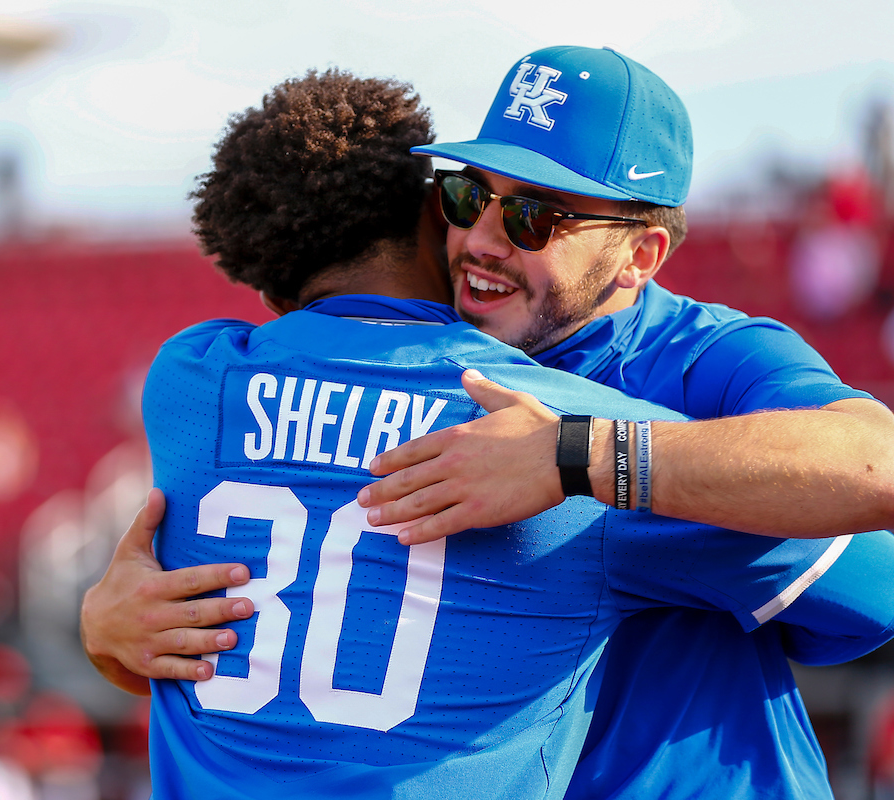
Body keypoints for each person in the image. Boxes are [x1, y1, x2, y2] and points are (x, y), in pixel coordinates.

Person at [84, 48, 894, 799]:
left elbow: (878, 511)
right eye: (466, 196)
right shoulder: (429, 367)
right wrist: (109, 629)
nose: (479, 240)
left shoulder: (709, 358)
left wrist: (580, 455)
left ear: (640, 256)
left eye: (533, 218)